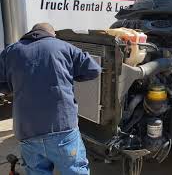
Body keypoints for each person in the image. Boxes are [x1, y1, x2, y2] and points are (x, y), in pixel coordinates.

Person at [0, 23, 102, 175]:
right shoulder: (64, 47)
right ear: (52, 34)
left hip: (27, 130)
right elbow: (94, 69)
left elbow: (2, 84)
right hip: (63, 127)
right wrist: (71, 75)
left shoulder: (10, 51)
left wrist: (15, 86)